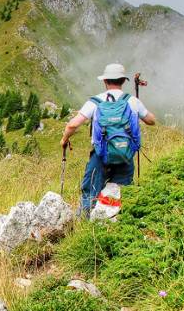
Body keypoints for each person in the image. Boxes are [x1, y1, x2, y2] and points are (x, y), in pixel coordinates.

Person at [59, 63, 156, 215]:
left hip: (100, 156)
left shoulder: (96, 101)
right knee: (121, 196)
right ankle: (118, 227)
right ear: (123, 81)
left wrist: (64, 140)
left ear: (105, 81)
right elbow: (151, 120)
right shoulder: (131, 101)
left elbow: (73, 125)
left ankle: (85, 223)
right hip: (125, 156)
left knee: (90, 194)